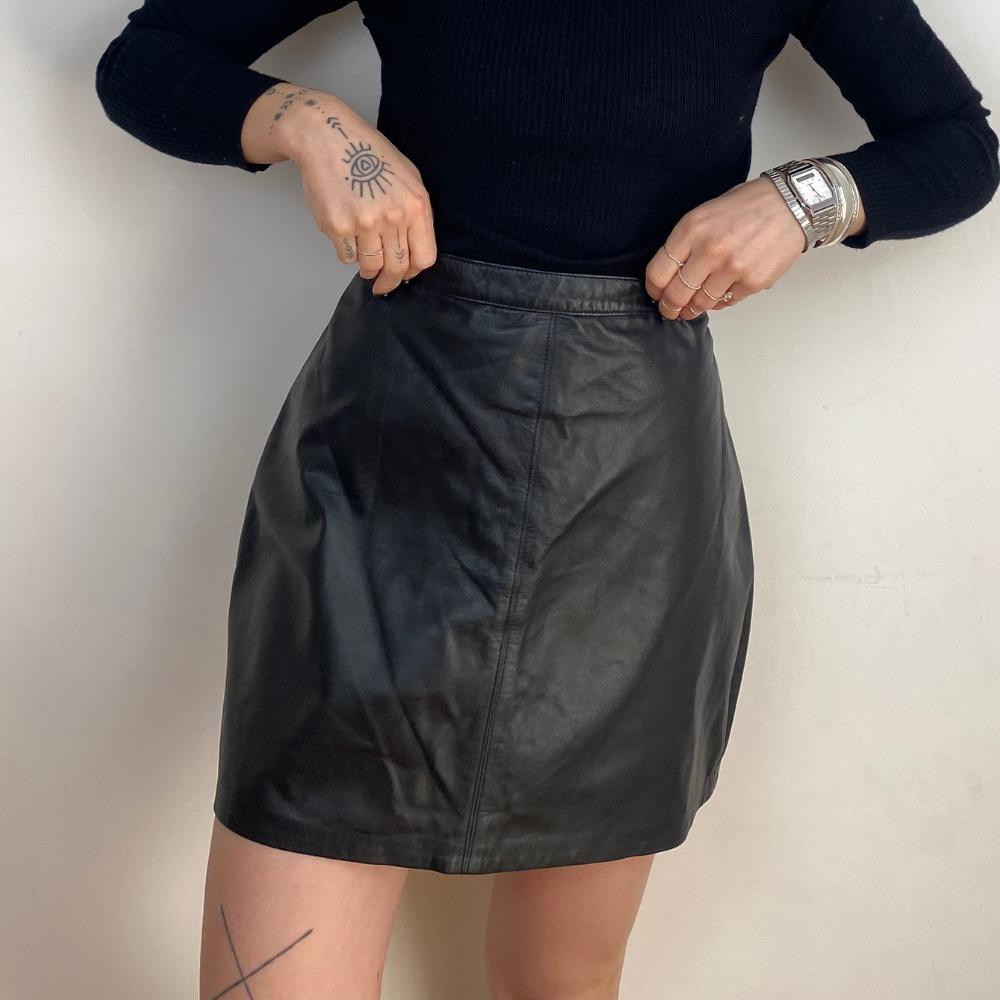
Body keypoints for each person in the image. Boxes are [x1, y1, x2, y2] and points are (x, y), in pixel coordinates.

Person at [95, 0, 999, 996]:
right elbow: (147, 60)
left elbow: (956, 143)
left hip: (627, 500)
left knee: (559, 982)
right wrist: (314, 123)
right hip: (389, 469)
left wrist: (807, 198)